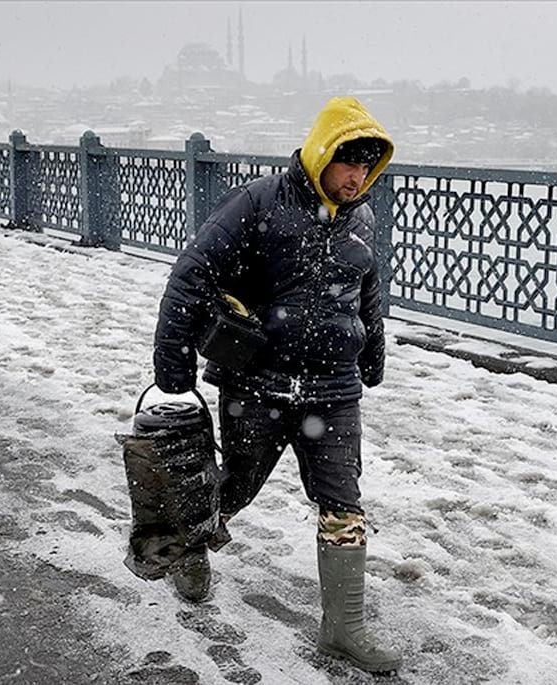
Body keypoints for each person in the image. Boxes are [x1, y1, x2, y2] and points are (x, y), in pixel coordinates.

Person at [152, 96, 398, 674]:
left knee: (344, 504)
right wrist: (173, 366)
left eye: (367, 167)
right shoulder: (259, 202)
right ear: (321, 154)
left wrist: (373, 356)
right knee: (234, 488)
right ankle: (189, 546)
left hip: (333, 392)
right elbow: (191, 275)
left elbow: (368, 294)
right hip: (258, 383)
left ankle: (343, 627)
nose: (356, 178)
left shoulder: (360, 217)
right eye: (347, 164)